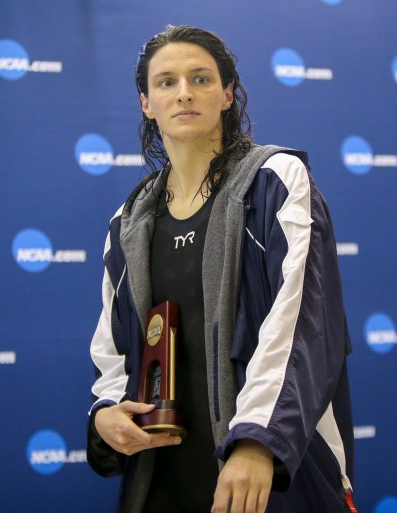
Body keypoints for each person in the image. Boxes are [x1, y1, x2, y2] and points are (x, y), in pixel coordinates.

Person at [86, 25, 356, 513]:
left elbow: (303, 324)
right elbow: (115, 353)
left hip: (268, 474)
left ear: (228, 94)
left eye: (201, 79)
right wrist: (106, 414)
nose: (184, 92)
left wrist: (258, 439)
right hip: (161, 483)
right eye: (166, 82)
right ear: (146, 102)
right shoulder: (127, 223)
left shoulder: (275, 182)